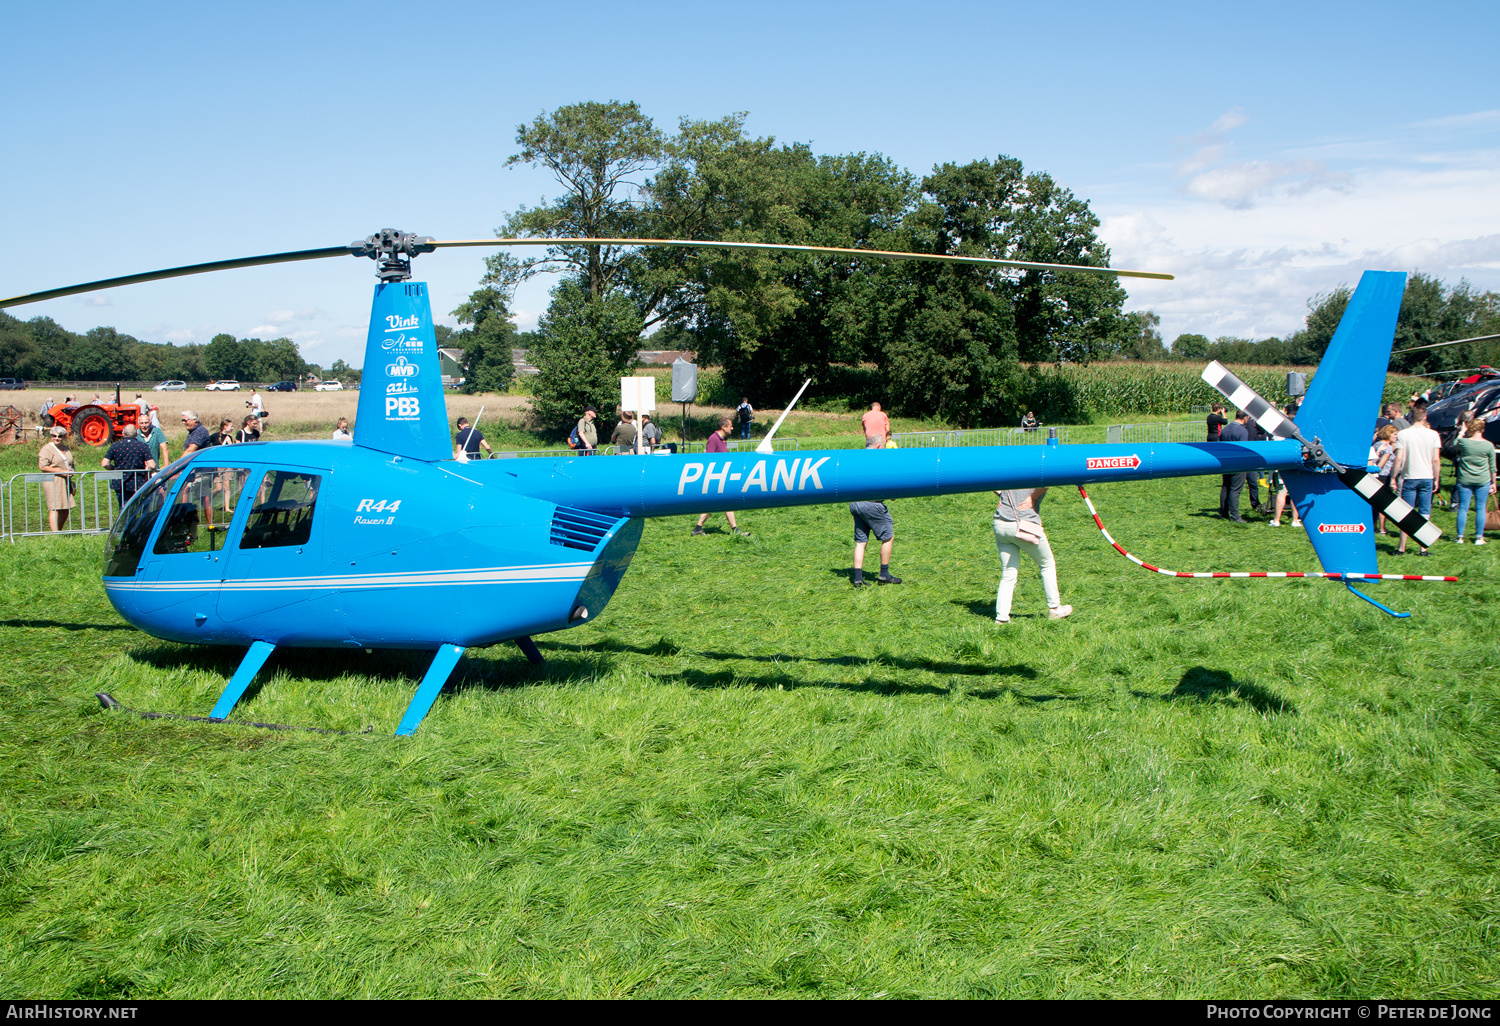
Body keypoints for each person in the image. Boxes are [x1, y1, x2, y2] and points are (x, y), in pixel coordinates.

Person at [992, 486, 1071, 623]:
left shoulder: (1007, 464)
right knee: (1047, 564)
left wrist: (1002, 495)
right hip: (1023, 523)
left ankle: (1001, 618)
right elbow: (1047, 481)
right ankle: (1055, 608)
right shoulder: (1036, 464)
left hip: (1000, 523)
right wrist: (1032, 498)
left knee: (1008, 574)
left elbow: (991, 478)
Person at [1392, 406, 1441, 556]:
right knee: (1425, 512)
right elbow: (1435, 459)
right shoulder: (1433, 434)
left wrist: (1394, 477)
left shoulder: (1404, 434)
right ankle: (1423, 547)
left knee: (1407, 512)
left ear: (1411, 417)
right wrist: (1437, 478)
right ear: (1425, 417)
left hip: (1409, 476)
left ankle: (1402, 547)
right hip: (1427, 476)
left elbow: (1399, 458)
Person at [692, 418, 748, 536]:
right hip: (715, 478)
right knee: (716, 503)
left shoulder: (723, 440)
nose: (732, 428)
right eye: (730, 426)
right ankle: (698, 528)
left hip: (721, 477)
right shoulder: (713, 439)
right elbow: (709, 460)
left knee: (725, 503)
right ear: (723, 427)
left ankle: (734, 529)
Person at [1452, 417, 1497, 545]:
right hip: (1483, 479)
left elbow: (1455, 444)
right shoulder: (1488, 445)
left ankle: (1460, 536)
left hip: (1465, 479)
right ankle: (1479, 537)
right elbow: (1493, 467)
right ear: (1482, 429)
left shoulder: (1464, 443)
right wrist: (1493, 483)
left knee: (1463, 508)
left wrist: (1462, 431)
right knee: (1480, 508)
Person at [849, 499, 901, 586]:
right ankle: (884, 575)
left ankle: (858, 579)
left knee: (861, 542)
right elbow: (892, 496)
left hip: (855, 503)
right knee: (888, 537)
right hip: (872, 505)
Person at [101, 424, 156, 504]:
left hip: (120, 482)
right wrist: (146, 471)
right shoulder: (142, 446)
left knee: (123, 508)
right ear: (137, 433)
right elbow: (152, 465)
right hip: (137, 482)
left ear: (123, 433)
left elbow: (104, 463)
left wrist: (113, 469)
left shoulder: (115, 445)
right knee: (138, 508)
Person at [38, 426, 75, 532]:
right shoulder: (47, 449)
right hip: (53, 480)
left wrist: (71, 472)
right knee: (55, 507)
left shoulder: (66, 448)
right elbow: (42, 466)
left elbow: (70, 462)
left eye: (60, 436)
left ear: (64, 437)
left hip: (65, 480)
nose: (57, 438)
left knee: (66, 507)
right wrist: (61, 471)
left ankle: (59, 530)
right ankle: (55, 534)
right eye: (54, 436)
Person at [1218, 410, 1252, 522]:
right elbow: (1243, 449)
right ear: (1245, 418)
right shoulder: (1243, 430)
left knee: (1225, 487)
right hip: (1238, 464)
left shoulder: (1225, 429)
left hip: (1225, 462)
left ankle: (1224, 513)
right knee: (1235, 489)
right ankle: (1235, 516)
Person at [1369, 424, 1398, 534]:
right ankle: (1382, 528)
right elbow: (1381, 464)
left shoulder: (1377, 444)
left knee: (1374, 503)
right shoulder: (1388, 447)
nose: (1396, 436)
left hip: (1376, 476)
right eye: (1394, 434)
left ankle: (1374, 526)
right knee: (1383, 504)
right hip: (1384, 476)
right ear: (1388, 434)